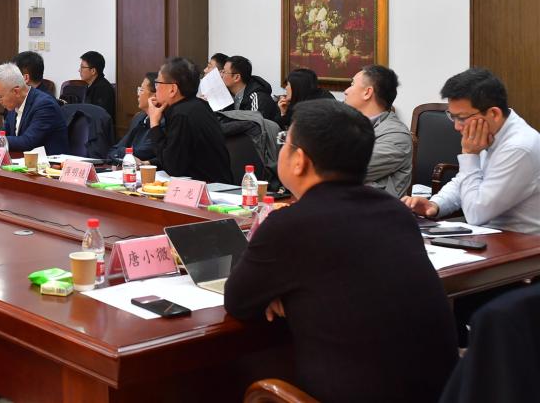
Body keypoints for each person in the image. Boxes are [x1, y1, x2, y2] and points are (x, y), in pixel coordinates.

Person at [224, 99, 457, 403]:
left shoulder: (290, 225)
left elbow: (238, 301)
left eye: (284, 141)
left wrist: (282, 295)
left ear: (299, 160)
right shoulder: (394, 211)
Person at [402, 68, 540, 234]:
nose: (456, 126)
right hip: (490, 235)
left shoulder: (518, 148)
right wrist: (435, 204)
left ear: (494, 114)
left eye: (462, 118)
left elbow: (476, 214)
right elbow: (466, 181)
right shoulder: (492, 132)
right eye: (452, 116)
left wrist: (469, 155)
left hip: (522, 243)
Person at [146, 57, 232, 183]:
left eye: (158, 83)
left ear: (172, 89)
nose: (156, 89)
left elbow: (173, 167)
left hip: (209, 189)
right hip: (212, 184)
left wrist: (154, 124)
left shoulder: (182, 115)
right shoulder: (198, 105)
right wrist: (149, 162)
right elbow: (179, 154)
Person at [0, 63, 68, 154]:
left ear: (16, 91)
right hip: (22, 161)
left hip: (49, 165)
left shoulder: (44, 105)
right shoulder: (14, 104)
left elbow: (28, 141)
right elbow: (5, 133)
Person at [343, 65, 412, 197]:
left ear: (367, 92)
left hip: (369, 207)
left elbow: (343, 169)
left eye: (352, 84)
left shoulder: (397, 136)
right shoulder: (347, 123)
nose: (346, 91)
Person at [106, 72, 159, 164]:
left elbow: (141, 153)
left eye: (141, 90)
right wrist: (124, 152)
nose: (138, 94)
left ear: (154, 96)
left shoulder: (163, 122)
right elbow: (113, 151)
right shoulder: (139, 117)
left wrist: (122, 152)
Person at [220, 55, 280, 123]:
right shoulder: (228, 94)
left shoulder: (258, 97)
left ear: (236, 77)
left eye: (224, 72)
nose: (221, 75)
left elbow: (255, 126)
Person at [79, 50, 116, 121]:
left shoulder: (104, 89)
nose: (79, 70)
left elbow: (100, 117)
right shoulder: (90, 85)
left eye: (82, 67)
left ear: (93, 71)